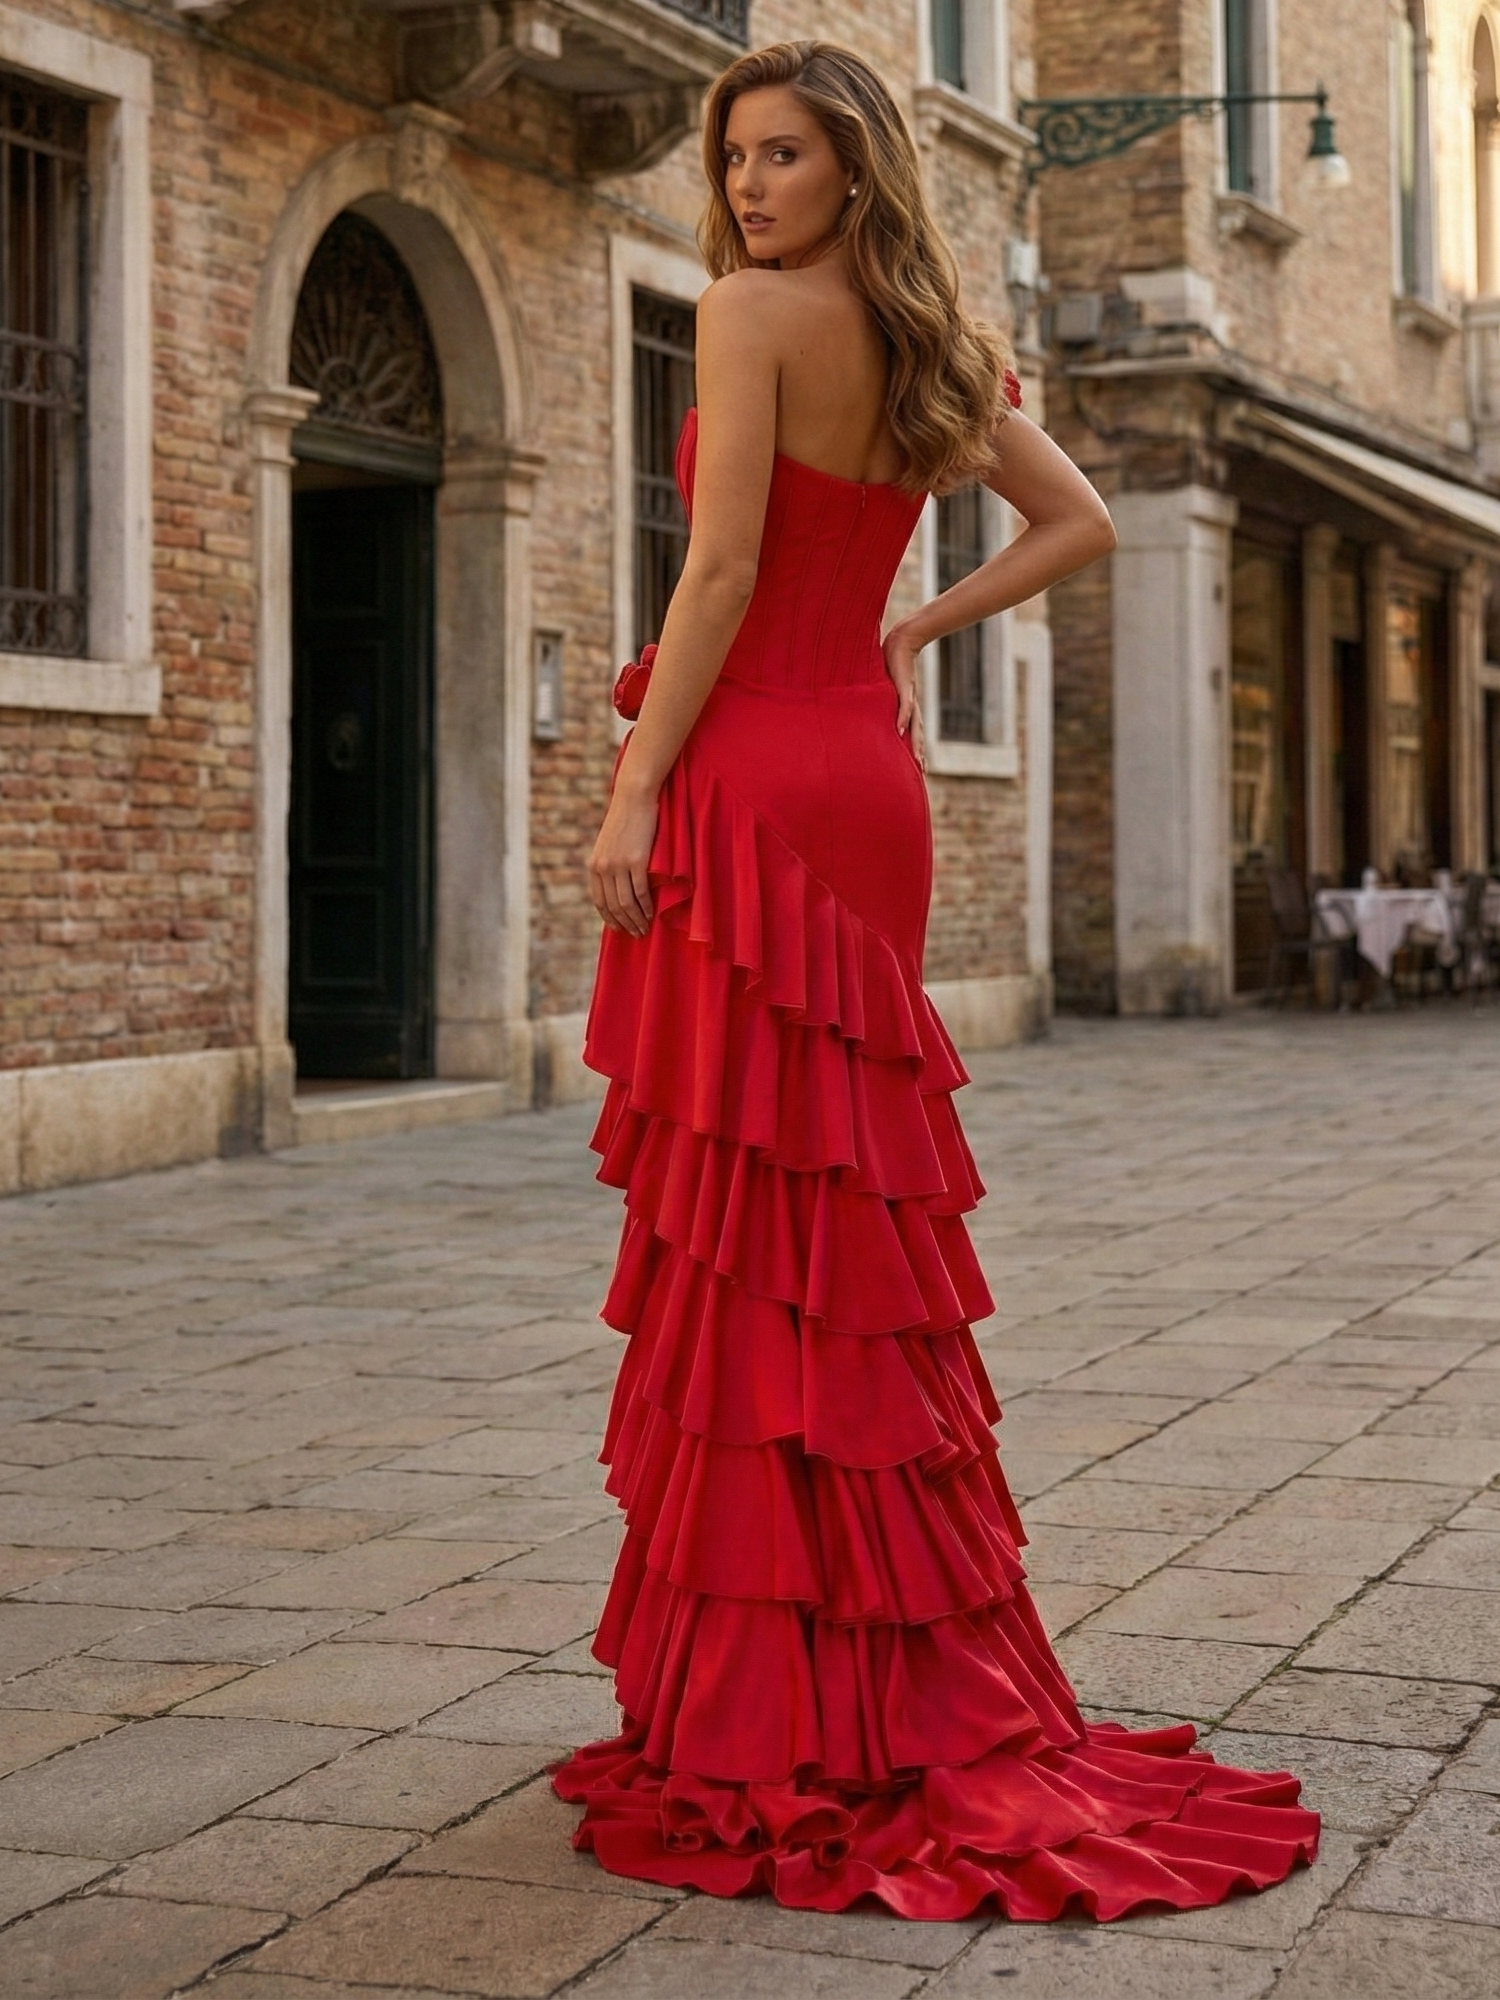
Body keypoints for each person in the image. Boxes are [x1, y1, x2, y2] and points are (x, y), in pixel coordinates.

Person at [553, 38, 1319, 1920]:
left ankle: (775, 1694)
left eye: (781, 154)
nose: (747, 187)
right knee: (840, 1220)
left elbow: (718, 573)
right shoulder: (923, 338)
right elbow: (1079, 520)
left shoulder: (747, 318)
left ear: (853, 164)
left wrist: (633, 787)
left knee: (756, 1222)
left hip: (754, 776)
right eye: (735, 157)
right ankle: (878, 1660)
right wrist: (913, 626)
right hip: (866, 783)